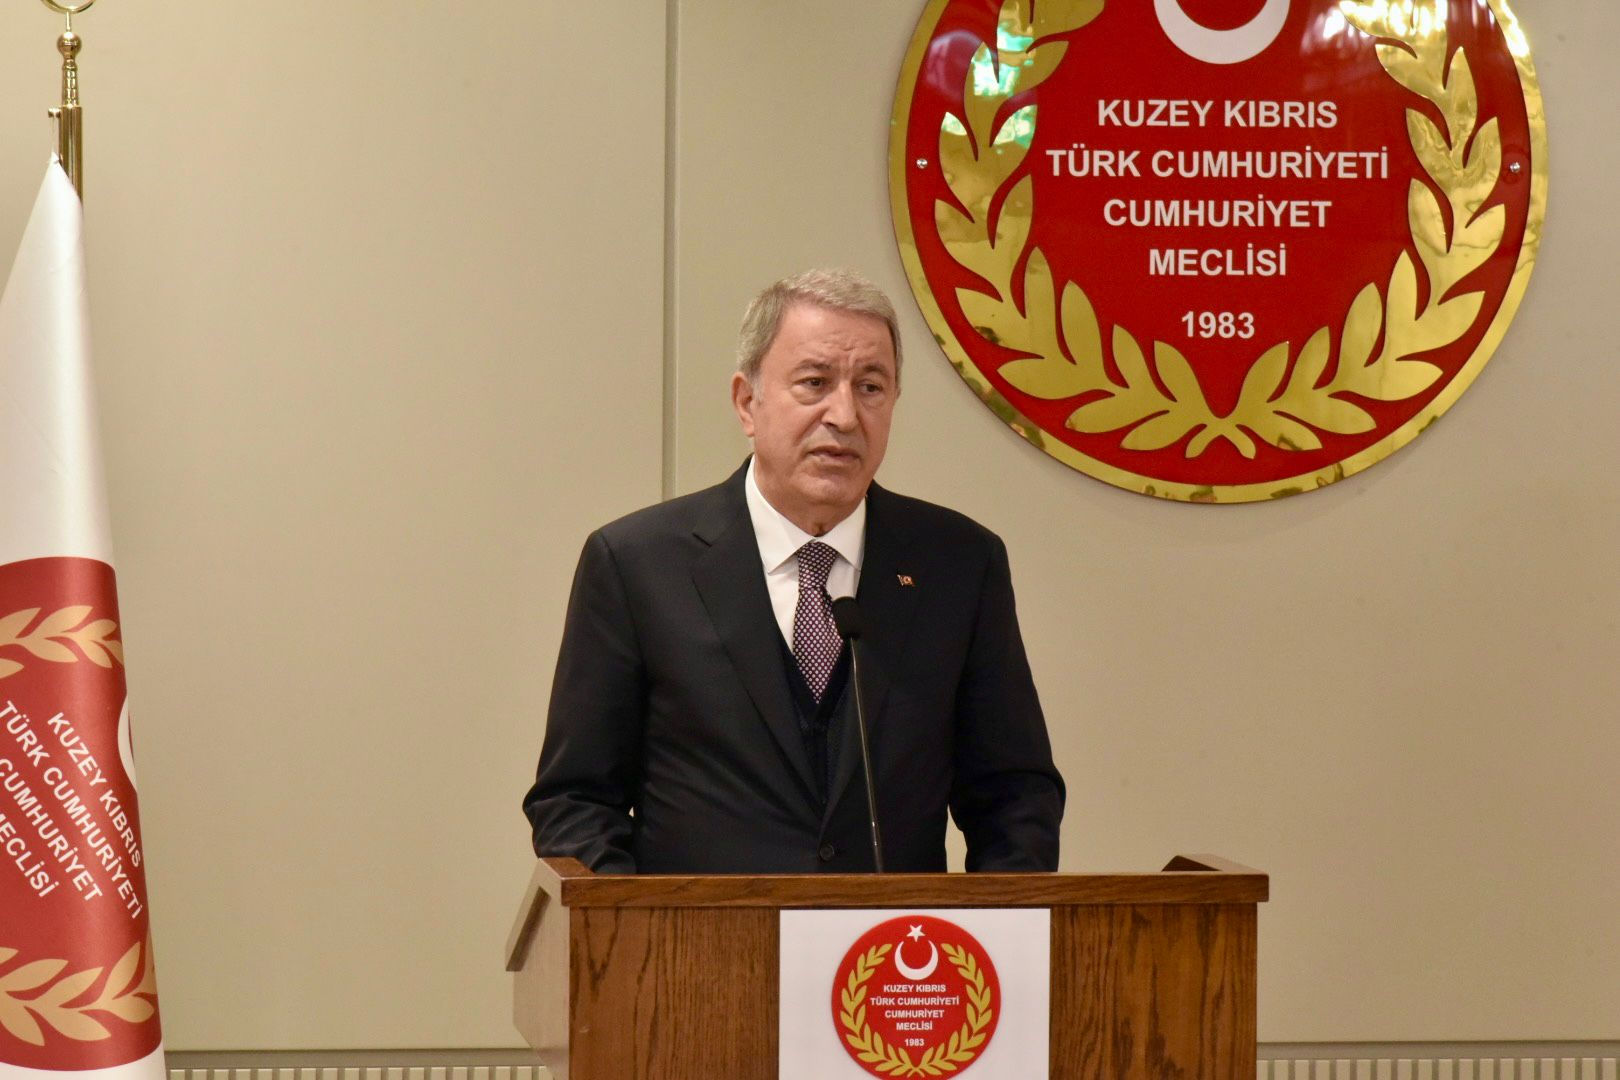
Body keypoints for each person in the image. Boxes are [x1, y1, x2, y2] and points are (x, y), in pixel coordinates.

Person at [523, 269, 1063, 874]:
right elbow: (575, 801)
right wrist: (637, 925)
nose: (845, 415)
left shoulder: (958, 563)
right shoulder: (637, 564)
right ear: (747, 403)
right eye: (814, 383)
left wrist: (994, 923)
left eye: (871, 387)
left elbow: (1014, 797)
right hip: (699, 936)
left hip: (896, 937)